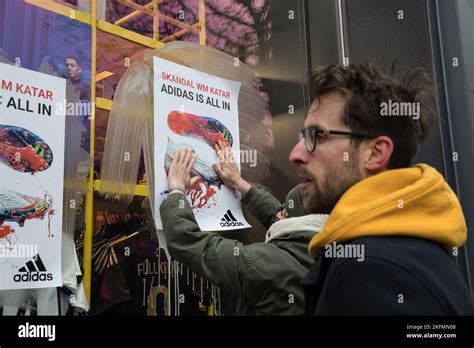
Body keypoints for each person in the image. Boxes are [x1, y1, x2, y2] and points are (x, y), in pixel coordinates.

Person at [289, 63, 474, 315]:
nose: (295, 154)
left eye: (316, 136)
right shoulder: (402, 249)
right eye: (303, 137)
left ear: (376, 153)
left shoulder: (370, 271)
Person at [160, 141, 328, 315]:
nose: (278, 214)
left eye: (284, 210)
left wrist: (176, 190)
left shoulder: (264, 264)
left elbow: (187, 242)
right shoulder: (330, 248)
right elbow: (279, 218)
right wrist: (238, 183)